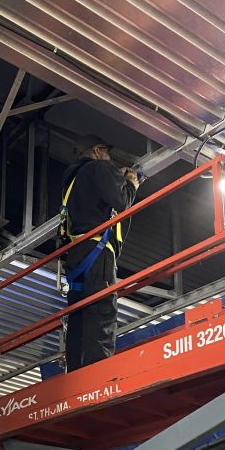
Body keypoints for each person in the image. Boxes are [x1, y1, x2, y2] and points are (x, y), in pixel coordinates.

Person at [60, 135, 146, 372]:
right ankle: (98, 373)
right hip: (97, 251)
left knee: (79, 314)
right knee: (102, 310)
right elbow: (121, 202)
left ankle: (76, 371)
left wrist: (114, 179)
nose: (108, 159)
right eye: (107, 153)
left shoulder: (73, 181)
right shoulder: (98, 167)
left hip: (77, 254)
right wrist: (130, 184)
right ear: (97, 151)